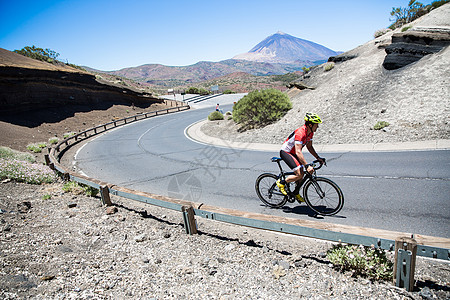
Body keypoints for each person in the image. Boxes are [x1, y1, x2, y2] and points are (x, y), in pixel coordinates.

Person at [276, 113, 325, 202]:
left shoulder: (310, 133)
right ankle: (281, 183)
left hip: (294, 152)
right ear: (310, 125)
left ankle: (295, 192)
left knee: (301, 174)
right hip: (286, 152)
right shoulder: (300, 132)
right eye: (316, 125)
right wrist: (307, 165)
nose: (317, 127)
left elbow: (309, 147)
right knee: (300, 174)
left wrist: (318, 158)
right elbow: (298, 151)